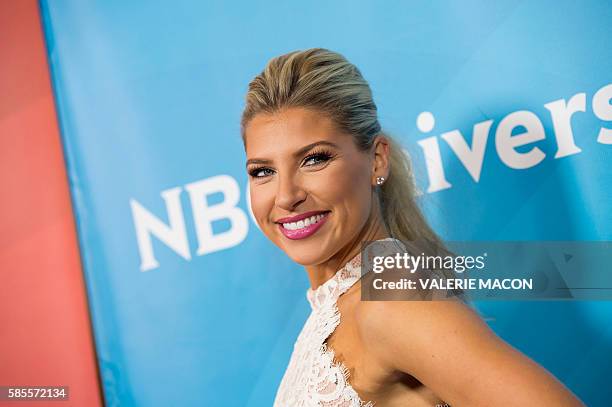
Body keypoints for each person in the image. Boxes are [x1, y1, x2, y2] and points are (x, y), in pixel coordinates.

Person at [241, 48, 584, 406]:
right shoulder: (347, 304)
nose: (286, 196)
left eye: (315, 159)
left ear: (377, 159)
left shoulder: (391, 300)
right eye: (262, 171)